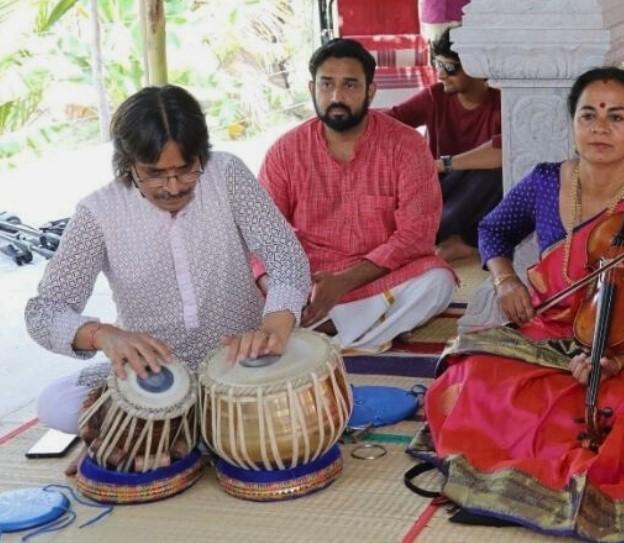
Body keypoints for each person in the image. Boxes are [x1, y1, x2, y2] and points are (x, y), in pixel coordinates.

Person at [408, 68, 624, 543]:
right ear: (572, 124)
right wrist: (506, 279)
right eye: (588, 115)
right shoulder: (546, 183)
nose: (600, 127)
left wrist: (614, 361)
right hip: (547, 327)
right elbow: (493, 232)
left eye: (616, 117)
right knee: (473, 378)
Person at [26, 85, 310, 454]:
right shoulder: (99, 212)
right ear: (127, 163)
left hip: (240, 363)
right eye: (155, 174)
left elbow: (286, 256)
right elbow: (44, 311)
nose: (173, 187)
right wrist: (104, 336)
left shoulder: (225, 175)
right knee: (55, 402)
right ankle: (198, 427)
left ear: (201, 156)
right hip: (154, 377)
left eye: (186, 170)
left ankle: (160, 434)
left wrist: (274, 325)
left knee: (314, 376)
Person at [258, 39, 455, 353]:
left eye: (350, 85)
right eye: (327, 84)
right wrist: (282, 293)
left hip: (372, 276)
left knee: (438, 281)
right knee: (236, 282)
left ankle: (322, 335)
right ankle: (344, 330)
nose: (336, 96)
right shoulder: (285, 151)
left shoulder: (407, 146)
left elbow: (417, 235)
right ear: (312, 89)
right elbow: (261, 233)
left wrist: (344, 282)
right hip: (306, 279)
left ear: (370, 91)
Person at [388, 29, 502, 262]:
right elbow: (390, 121)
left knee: (496, 175)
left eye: (449, 68)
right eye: (437, 64)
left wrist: (442, 165)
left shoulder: (502, 103)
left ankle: (468, 243)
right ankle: (450, 239)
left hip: (477, 193)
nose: (440, 75)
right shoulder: (435, 96)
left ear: (478, 68)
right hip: (440, 190)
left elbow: (503, 152)